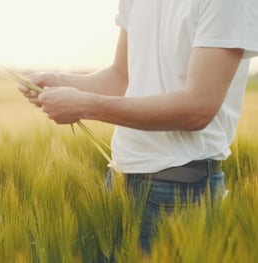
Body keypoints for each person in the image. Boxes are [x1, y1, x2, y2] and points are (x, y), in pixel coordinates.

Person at [18, 0, 258, 252]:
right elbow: (122, 77)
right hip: (120, 177)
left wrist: (85, 105)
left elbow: (197, 108)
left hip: (180, 188)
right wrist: (58, 81)